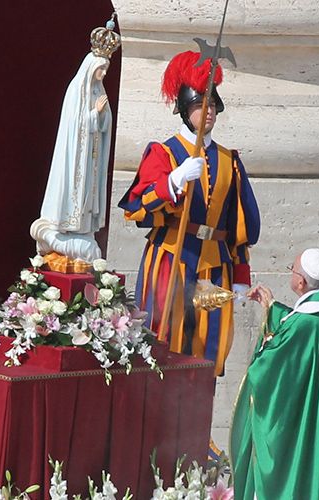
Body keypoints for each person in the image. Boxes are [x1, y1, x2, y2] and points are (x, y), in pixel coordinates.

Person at [118, 50, 260, 375]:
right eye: (200, 105)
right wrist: (174, 180)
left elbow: (239, 225)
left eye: (212, 104)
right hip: (171, 259)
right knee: (165, 345)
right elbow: (138, 206)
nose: (208, 111)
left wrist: (240, 278)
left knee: (210, 349)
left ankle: (198, 424)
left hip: (215, 265)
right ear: (185, 109)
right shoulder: (164, 153)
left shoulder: (230, 161)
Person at [231, 248, 319, 500]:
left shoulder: (306, 323)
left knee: (308, 464)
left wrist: (261, 354)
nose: (291, 274)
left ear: (301, 282)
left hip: (313, 415)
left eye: (292, 269)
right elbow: (299, 331)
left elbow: (268, 368)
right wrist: (271, 306)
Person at [30, 16, 120, 263]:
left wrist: (101, 118)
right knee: (73, 190)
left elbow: (105, 126)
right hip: (76, 157)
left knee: (87, 200)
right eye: (100, 69)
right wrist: (94, 115)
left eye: (106, 70)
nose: (103, 74)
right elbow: (73, 125)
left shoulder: (99, 93)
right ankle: (61, 227)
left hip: (92, 158)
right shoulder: (76, 90)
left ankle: (81, 228)